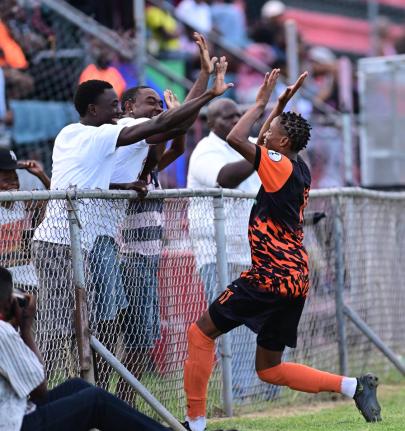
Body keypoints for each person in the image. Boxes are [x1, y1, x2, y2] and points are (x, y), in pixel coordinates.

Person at [181, 69, 381, 431]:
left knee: (200, 334)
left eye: (272, 132)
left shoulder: (275, 164)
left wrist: (260, 103)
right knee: (270, 369)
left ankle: (194, 423)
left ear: (283, 142)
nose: (265, 134)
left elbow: (237, 136)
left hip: (270, 275)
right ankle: (353, 386)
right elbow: (260, 141)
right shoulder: (297, 167)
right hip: (294, 278)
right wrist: (281, 105)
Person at [32, 61, 232, 376]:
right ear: (92, 110)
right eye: (113, 106)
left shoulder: (96, 134)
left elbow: (170, 128)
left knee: (99, 328)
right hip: (61, 243)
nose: (118, 112)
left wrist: (205, 83)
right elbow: (163, 125)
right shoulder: (97, 134)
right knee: (59, 332)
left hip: (88, 242)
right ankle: (45, 401)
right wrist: (208, 93)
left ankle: (89, 397)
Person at [112, 32, 217, 403]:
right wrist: (201, 87)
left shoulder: (149, 161)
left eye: (160, 103)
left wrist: (201, 80)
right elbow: (171, 129)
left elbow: (178, 139)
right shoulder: (130, 139)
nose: (156, 108)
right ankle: (115, 403)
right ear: (127, 108)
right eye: (149, 103)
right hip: (131, 260)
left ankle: (118, 403)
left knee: (142, 340)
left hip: (148, 260)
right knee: (137, 340)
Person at [0, 266, 172, 431]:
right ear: (8, 305)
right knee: (96, 401)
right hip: (15, 425)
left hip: (15, 416)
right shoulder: (3, 333)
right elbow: (39, 389)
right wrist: (26, 330)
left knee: (76, 386)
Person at [187, 97, 261, 399]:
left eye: (238, 116)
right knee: (233, 325)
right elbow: (226, 178)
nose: (234, 121)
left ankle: (263, 388)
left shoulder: (252, 144)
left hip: (255, 251)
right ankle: (240, 392)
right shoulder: (205, 151)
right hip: (218, 252)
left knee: (262, 322)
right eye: (226, 117)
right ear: (209, 122)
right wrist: (261, 154)